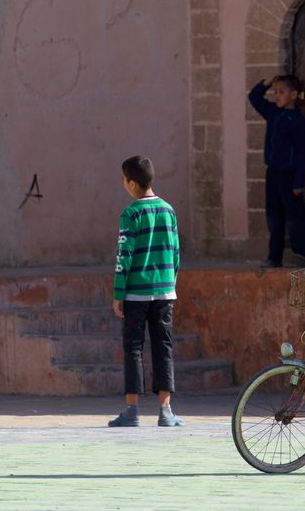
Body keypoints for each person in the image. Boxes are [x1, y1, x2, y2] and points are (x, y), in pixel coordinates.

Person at [108, 155, 184, 428]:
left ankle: (131, 410)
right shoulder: (168, 210)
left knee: (134, 348)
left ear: (130, 183)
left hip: (136, 294)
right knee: (164, 348)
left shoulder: (130, 213)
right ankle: (166, 411)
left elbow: (123, 256)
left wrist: (118, 293)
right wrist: (170, 282)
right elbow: (175, 252)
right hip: (165, 292)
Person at [248, 74, 305, 267]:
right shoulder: (273, 113)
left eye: (281, 92)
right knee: (274, 217)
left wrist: (299, 182)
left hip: (290, 176)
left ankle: (302, 255)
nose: (277, 95)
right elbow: (254, 97)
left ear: (293, 95)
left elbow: (301, 154)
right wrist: (266, 82)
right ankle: (274, 258)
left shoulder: (299, 122)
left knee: (294, 218)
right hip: (273, 173)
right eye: (275, 92)